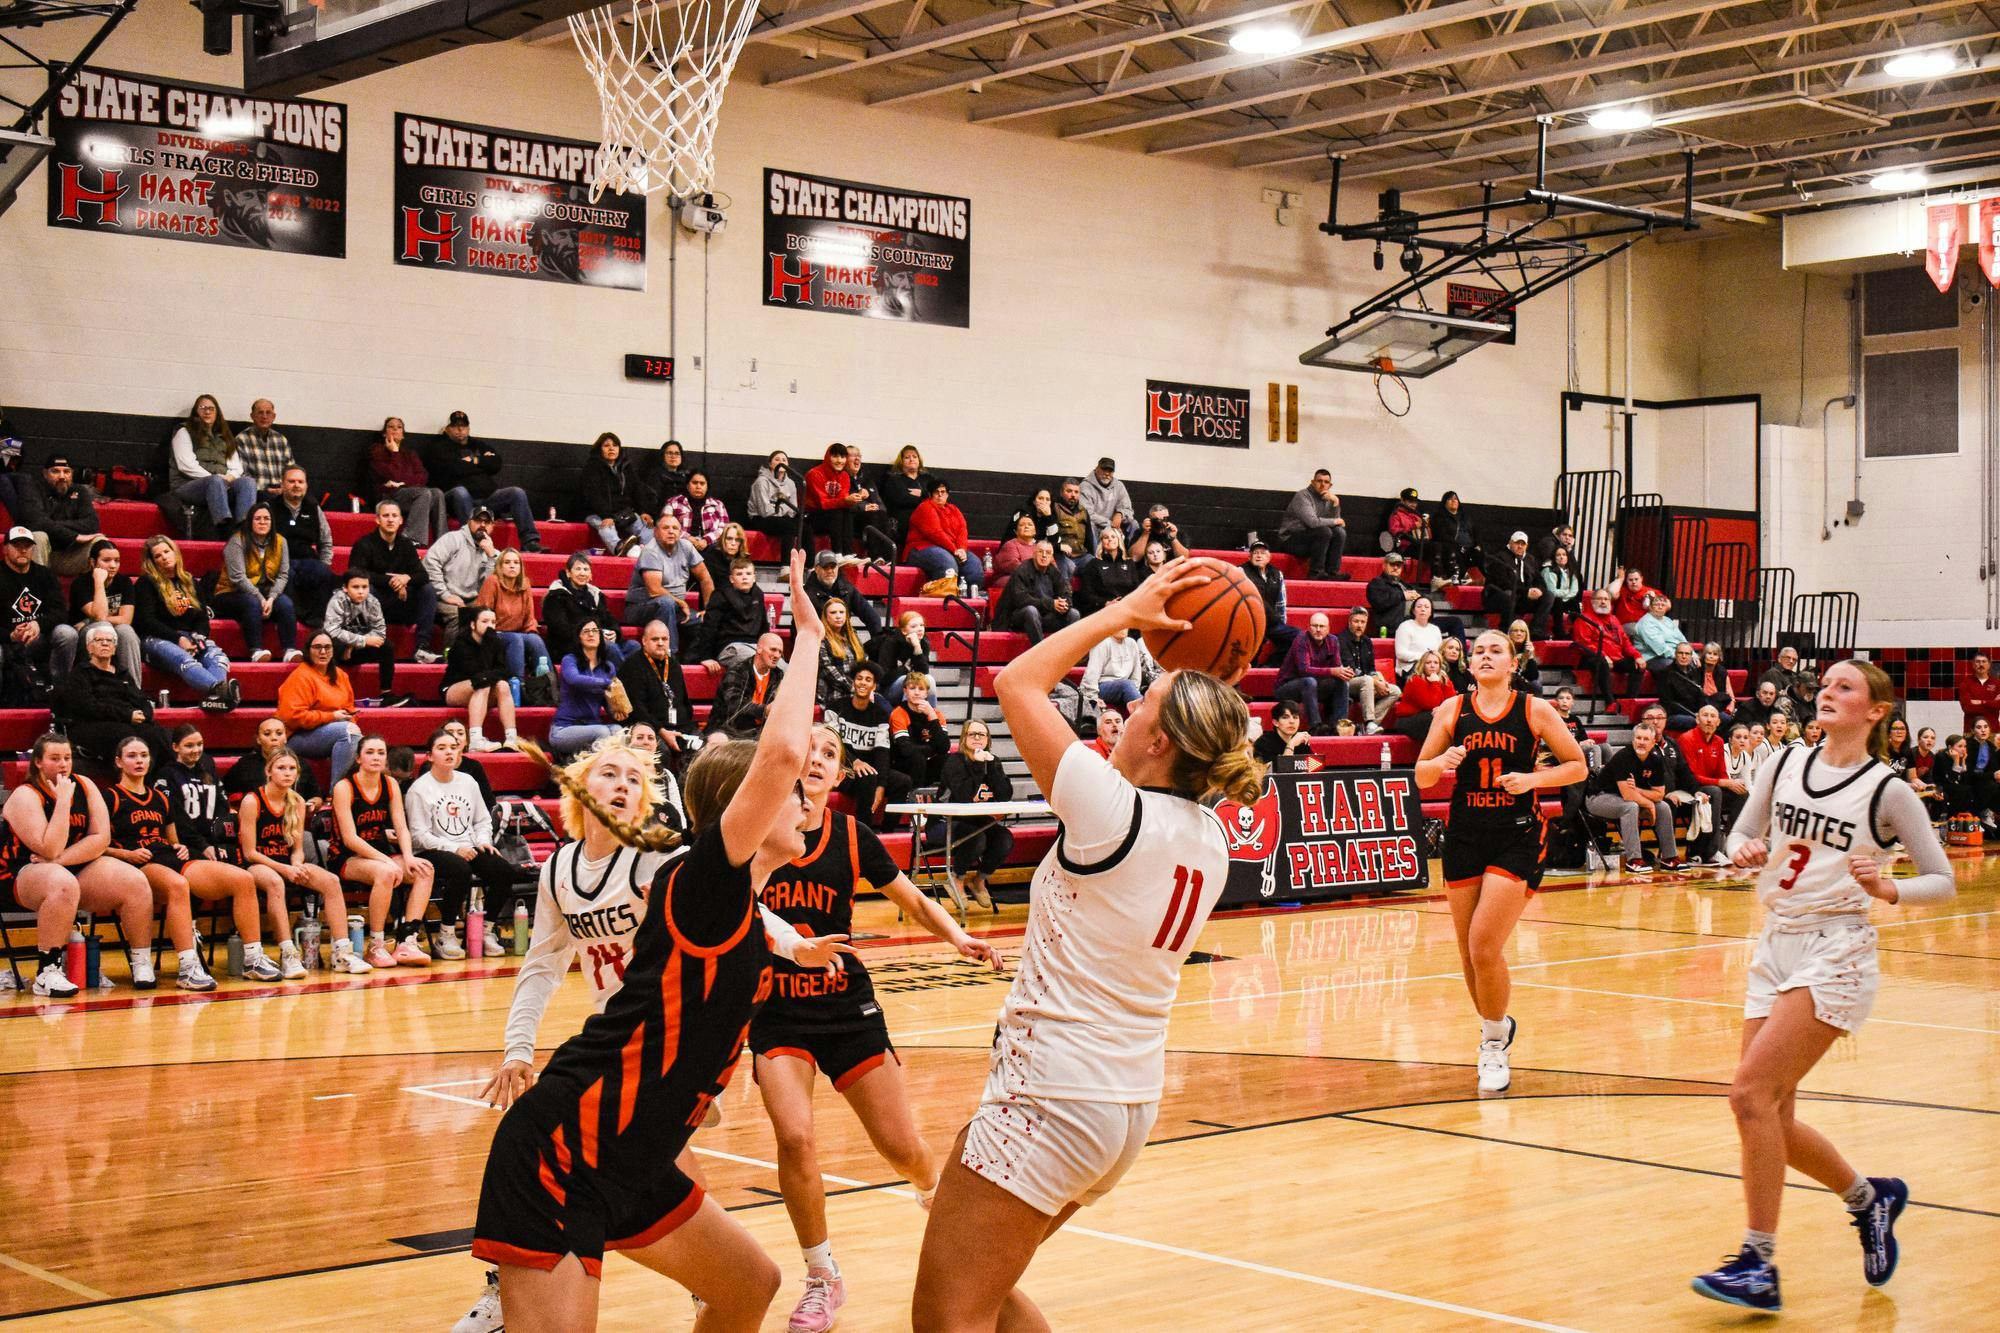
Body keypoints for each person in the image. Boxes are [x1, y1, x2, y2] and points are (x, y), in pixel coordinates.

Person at [466, 557, 830, 1331]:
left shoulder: (731, 902)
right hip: (563, 1150)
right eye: (792, 796)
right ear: (744, 810)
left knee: (748, 1286)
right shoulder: (705, 884)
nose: (806, 801)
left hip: (635, 1157)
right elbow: (781, 755)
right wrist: (808, 637)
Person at [913, 556, 1264, 1330]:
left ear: (1159, 742)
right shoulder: (1207, 834)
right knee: (990, 1292)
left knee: (946, 1319)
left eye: (1144, 701)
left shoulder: (1113, 812)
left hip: (1055, 1093)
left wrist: (1124, 612)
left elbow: (1015, 683)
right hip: (1122, 1103)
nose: (1128, 708)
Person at [1689, 661, 1953, 1313]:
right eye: (1827, 684)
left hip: (1838, 947)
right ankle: (1871, 1198)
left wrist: (1888, 887)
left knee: (1749, 1092)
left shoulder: (1888, 790)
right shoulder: (1782, 765)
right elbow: (1742, 831)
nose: (1829, 694)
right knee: (1769, 1111)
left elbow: (1942, 877)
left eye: (1846, 687)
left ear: (1876, 711)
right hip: (1775, 940)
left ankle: (1759, 1261)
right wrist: (1743, 849)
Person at [755, 723, 1004, 1331]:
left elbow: (914, 901)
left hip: (846, 1010)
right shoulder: (757, 828)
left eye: (830, 753)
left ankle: (931, 1192)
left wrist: (960, 936)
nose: (816, 758)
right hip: (776, 1012)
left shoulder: (850, 834)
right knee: (795, 1137)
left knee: (902, 1148)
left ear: (840, 776)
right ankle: (822, 1277)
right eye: (809, 748)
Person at [1413, 630, 1587, 1093]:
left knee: (1485, 944)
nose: (1486, 657)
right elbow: (1421, 773)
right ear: (1469, 665)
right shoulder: (1453, 709)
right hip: (1465, 835)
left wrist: (1531, 780)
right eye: (1479, 652)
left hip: (1518, 836)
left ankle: (1492, 1044)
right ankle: (1497, 1025)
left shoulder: (1534, 709)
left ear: (1513, 663)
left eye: (1496, 651)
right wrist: (1443, 761)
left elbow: (1577, 766)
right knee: (1470, 954)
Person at [105, 736, 273, 987]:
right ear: (119, 761)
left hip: (166, 856)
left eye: (144, 755)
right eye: (132, 756)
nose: (139, 761)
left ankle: (253, 959)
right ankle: (187, 966)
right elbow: (97, 845)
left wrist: (180, 847)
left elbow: (172, 840)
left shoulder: (160, 797)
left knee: (243, 879)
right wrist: (126, 855)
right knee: (177, 885)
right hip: (135, 864)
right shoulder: (110, 797)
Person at [0, 734, 158, 996]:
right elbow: (49, 846)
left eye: (67, 758)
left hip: (67, 867)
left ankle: (141, 962)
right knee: (62, 882)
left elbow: (100, 838)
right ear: (38, 762)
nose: (63, 764)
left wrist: (61, 860)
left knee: (135, 881)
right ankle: (47, 972)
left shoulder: (84, 785)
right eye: (54, 758)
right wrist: (62, 801)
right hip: (19, 875)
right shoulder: (24, 795)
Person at [238, 747, 368, 974]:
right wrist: (285, 869)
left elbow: (297, 848)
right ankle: (289, 953)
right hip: (258, 864)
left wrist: (296, 864)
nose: (287, 773)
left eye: (291, 769)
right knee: (275, 882)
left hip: (286, 862)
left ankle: (342, 952)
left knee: (331, 881)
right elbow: (249, 852)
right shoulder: (252, 801)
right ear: (268, 771)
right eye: (281, 768)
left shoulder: (297, 801)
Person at [405, 730, 520, 961]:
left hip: (468, 845)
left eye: (453, 747)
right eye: (442, 748)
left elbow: (482, 820)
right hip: (433, 849)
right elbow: (418, 835)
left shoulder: (468, 781)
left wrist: (483, 842)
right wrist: (453, 848)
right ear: (429, 756)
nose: (449, 751)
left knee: (504, 871)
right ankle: (445, 934)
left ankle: (486, 930)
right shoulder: (419, 789)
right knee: (460, 869)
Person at [331, 735, 435, 968]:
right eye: (370, 752)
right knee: (385, 873)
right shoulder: (344, 787)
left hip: (380, 854)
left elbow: (401, 827)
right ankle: (376, 945)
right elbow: (349, 838)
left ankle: (407, 941)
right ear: (358, 758)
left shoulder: (390, 785)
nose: (376, 757)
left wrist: (408, 857)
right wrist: (385, 861)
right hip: (347, 857)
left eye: (380, 752)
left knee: (424, 870)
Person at [51, 622, 174, 774]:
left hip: (125, 721)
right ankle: (129, 781)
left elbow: (141, 700)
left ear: (115, 649)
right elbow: (88, 706)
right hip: (91, 724)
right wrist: (127, 715)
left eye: (109, 641)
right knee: (127, 737)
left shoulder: (123, 673)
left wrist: (145, 715)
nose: (105, 643)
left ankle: (163, 780)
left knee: (161, 735)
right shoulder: (80, 674)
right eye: (99, 640)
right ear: (89, 647)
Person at [135, 534, 239, 712]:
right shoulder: (146, 583)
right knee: (184, 659)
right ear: (152, 562)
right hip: (157, 638)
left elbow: (201, 618)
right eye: (158, 556)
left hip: (190, 636)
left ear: (175, 552)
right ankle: (220, 690)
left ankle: (216, 698)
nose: (164, 557)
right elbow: (146, 621)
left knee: (218, 658)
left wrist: (199, 638)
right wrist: (178, 639)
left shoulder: (189, 581)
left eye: (167, 552)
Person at [429, 410, 543, 552]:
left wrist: (473, 460)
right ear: (448, 429)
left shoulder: (477, 444)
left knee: (517, 493)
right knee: (461, 492)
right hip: (457, 499)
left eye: (463, 426)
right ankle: (472, 542)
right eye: (455, 426)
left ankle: (530, 541)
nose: (460, 430)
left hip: (487, 497)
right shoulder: (440, 446)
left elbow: (496, 463)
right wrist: (482, 464)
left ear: (468, 429)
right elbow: (452, 468)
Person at [348, 499, 443, 664]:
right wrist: (393, 581)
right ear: (377, 520)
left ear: (401, 521)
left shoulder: (406, 544)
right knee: (365, 588)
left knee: (427, 589)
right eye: (386, 516)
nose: (390, 519)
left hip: (401, 603)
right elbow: (356, 576)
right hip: (376, 601)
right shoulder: (364, 544)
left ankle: (422, 647)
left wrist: (406, 579)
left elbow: (423, 576)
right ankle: (367, 643)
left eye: (394, 516)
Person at [937, 717, 1017, 906]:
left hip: (980, 821)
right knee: (977, 838)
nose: (977, 738)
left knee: (1004, 838)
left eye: (981, 734)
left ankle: (979, 880)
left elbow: (1005, 795)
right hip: (948, 822)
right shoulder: (954, 761)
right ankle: (957, 877)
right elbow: (965, 796)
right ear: (964, 738)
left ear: (988, 740)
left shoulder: (993, 761)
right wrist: (979, 767)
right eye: (972, 734)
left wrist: (991, 768)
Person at [212, 500, 298, 663]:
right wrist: (261, 599)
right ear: (250, 521)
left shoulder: (281, 541)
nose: (262, 522)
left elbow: (283, 575)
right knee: (252, 603)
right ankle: (256, 650)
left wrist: (271, 598)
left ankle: (289, 650)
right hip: (230, 592)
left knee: (285, 603)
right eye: (257, 519)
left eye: (266, 518)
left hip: (266, 592)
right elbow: (237, 577)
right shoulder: (237, 541)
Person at [1585, 722, 1677, 872]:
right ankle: (1634, 860)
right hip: (1598, 798)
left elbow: (1659, 795)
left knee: (1664, 806)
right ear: (1633, 740)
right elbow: (1628, 795)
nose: (1641, 742)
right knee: (1630, 806)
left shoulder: (1656, 760)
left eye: (1646, 739)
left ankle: (1669, 858)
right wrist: (1649, 804)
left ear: (1653, 742)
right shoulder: (1624, 757)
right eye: (1638, 738)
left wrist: (1640, 792)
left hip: (1625, 797)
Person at [827, 662, 911, 826]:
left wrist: (881, 786)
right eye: (859, 678)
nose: (863, 683)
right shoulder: (836, 707)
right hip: (840, 767)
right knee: (868, 776)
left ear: (874, 686)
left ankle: (888, 831)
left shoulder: (880, 714)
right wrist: (854, 761)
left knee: (903, 781)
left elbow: (882, 752)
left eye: (868, 680)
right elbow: (832, 744)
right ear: (853, 682)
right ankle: (863, 832)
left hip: (868, 769)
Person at [52, 539, 143, 686]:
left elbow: (126, 619)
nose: (113, 565)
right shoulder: (81, 583)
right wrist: (99, 582)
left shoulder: (124, 582)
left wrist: (88, 621)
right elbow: (100, 616)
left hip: (106, 631)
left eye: (117, 560)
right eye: (106, 560)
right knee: (102, 627)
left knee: (126, 631)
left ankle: (133, 690)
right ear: (93, 562)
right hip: (84, 638)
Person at [169, 394, 257, 539]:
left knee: (248, 482)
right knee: (214, 481)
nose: (207, 412)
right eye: (203, 408)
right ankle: (223, 527)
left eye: (211, 408)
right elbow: (186, 465)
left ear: (217, 413)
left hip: (221, 484)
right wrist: (216, 478)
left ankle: (244, 528)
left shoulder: (225, 436)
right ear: (195, 412)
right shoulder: (184, 432)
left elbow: (236, 467)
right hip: (187, 485)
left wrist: (230, 477)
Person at [626, 513, 711, 655]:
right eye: (665, 528)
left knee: (703, 622)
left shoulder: (686, 547)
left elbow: (705, 578)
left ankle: (690, 663)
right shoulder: (650, 551)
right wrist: (681, 603)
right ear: (656, 532)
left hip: (674, 608)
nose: (671, 531)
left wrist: (709, 608)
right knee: (666, 603)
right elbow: (654, 591)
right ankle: (670, 656)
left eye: (675, 528)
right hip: (640, 608)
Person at [325, 569, 409, 709]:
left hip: (354, 649)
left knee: (386, 646)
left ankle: (386, 694)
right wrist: (362, 641)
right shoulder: (337, 600)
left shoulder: (372, 601)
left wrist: (354, 644)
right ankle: (333, 695)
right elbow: (332, 630)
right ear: (345, 588)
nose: (361, 591)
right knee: (331, 644)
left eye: (365, 587)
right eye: (355, 587)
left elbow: (380, 633)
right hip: (339, 651)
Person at [445, 607, 520, 753]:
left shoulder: (495, 642)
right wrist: (492, 673)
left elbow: (504, 671)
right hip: (454, 688)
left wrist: (494, 674)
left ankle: (511, 738)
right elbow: (476, 673)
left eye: (493, 622)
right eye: (485, 621)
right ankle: (475, 740)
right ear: (473, 625)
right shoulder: (461, 644)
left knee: (503, 685)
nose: (490, 626)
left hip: (482, 689)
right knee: (483, 683)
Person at [13, 452, 101, 576]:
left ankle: (97, 592)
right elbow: (36, 522)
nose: (62, 476)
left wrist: (52, 524)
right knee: (39, 536)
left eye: (66, 472)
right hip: (38, 556)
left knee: (100, 541)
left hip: (68, 558)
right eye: (55, 471)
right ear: (45, 474)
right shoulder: (32, 488)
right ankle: (37, 589)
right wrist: (74, 536)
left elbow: (92, 524)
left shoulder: (80, 491)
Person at [272, 465, 338, 625]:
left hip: (307, 560)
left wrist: (325, 564)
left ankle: (318, 620)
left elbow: (326, 541)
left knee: (324, 573)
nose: (296, 485)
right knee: (286, 576)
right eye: (291, 481)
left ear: (306, 485)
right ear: (282, 484)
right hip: (280, 561)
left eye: (300, 481)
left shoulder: (313, 508)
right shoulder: (270, 508)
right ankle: (294, 617)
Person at [617, 620, 697, 751]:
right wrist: (662, 731)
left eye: (664, 639)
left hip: (681, 726)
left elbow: (684, 700)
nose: (660, 643)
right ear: (644, 641)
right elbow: (637, 709)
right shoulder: (632, 666)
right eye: (655, 639)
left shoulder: (674, 665)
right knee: (661, 751)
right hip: (650, 729)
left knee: (704, 747)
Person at [425, 505, 500, 644]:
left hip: (472, 600)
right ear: (469, 522)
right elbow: (430, 564)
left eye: (487, 522)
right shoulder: (453, 539)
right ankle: (451, 658)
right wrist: (445, 594)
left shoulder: (494, 553)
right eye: (478, 520)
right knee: (459, 615)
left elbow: (489, 588)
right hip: (440, 597)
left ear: (492, 526)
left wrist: (491, 558)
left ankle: (481, 661)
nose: (482, 525)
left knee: (487, 617)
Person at [476, 547, 551, 685]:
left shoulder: (525, 584)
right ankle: (517, 685)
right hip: (492, 633)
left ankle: (549, 685)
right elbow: (483, 616)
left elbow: (529, 618)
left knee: (535, 640)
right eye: (507, 562)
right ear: (500, 566)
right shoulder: (492, 582)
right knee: (515, 639)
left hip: (516, 633)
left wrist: (532, 634)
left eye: (516, 562)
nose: (512, 565)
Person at [366, 416, 445, 546]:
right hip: (388, 496)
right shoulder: (377, 451)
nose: (395, 430)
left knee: (437, 493)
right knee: (424, 493)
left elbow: (423, 476)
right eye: (391, 427)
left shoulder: (410, 454)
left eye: (399, 427)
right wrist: (395, 452)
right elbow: (392, 474)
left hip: (408, 493)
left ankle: (442, 541)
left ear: (403, 435)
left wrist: (404, 483)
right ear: (384, 433)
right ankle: (411, 538)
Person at [544, 552, 632, 667]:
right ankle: (621, 682)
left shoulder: (595, 595)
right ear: (568, 573)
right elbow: (560, 629)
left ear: (591, 575)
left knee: (633, 646)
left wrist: (614, 632)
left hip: (597, 641)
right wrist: (597, 636)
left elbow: (609, 619)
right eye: (578, 569)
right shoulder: (556, 596)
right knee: (611, 648)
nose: (582, 573)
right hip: (569, 645)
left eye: (586, 569)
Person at [224, 715, 325, 813]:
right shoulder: (245, 764)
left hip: (293, 822)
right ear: (258, 739)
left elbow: (317, 797)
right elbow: (223, 790)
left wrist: (313, 803)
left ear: (286, 737)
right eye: (267, 734)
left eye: (279, 733)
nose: (274, 738)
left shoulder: (300, 764)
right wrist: (230, 808)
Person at [160, 725, 230, 865]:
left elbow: (222, 807)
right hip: (185, 845)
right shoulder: (167, 774)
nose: (196, 750)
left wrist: (218, 843)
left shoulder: (208, 772)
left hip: (212, 842)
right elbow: (176, 816)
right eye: (189, 746)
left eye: (200, 744)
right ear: (175, 747)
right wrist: (203, 845)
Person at [552, 620, 620, 754]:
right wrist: (606, 683)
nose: (591, 634)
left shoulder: (608, 667)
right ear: (579, 637)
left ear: (600, 636)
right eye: (586, 631)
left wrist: (616, 709)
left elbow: (607, 703)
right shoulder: (570, 660)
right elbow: (574, 679)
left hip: (592, 726)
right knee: (602, 732)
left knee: (618, 731)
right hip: (565, 729)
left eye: (595, 631)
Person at [901, 480, 982, 593]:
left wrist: (962, 549)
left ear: (947, 494)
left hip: (950, 549)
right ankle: (942, 601)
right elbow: (935, 533)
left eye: (943, 492)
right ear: (930, 494)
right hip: (921, 548)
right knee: (947, 564)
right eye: (936, 492)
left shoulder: (954, 509)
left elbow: (962, 531)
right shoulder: (925, 507)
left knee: (974, 565)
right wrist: (955, 550)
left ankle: (968, 600)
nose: (940, 495)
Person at [1679, 705, 1735, 863]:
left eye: (1713, 716)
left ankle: (1731, 846)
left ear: (1718, 722)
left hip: (1711, 788)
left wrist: (1729, 783)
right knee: (1715, 791)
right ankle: (1711, 851)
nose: (1709, 719)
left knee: (1741, 793)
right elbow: (1692, 776)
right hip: (1690, 788)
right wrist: (1721, 782)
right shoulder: (1687, 738)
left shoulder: (1718, 741)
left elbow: (1722, 772)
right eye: (1705, 715)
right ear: (1697, 719)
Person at [1274, 612, 1345, 734]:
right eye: (1315, 626)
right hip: (1287, 687)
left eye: (1322, 626)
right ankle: (1315, 726)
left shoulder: (1333, 641)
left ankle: (1339, 725)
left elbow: (1337, 667)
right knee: (1309, 681)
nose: (1318, 630)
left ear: (1328, 629)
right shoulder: (1301, 640)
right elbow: (1304, 670)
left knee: (1341, 681)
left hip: (1313, 687)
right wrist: (1332, 671)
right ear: (1308, 627)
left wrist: (1344, 672)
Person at [995, 540, 1077, 643]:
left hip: (1045, 616)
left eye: (1047, 553)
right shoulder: (1022, 570)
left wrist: (1065, 604)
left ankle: (1064, 653)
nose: (1044, 556)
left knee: (1073, 614)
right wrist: (1051, 604)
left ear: (1051, 556)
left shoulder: (1054, 571)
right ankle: (1041, 654)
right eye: (1040, 552)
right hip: (1019, 618)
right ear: (1034, 553)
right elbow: (1021, 600)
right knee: (1031, 611)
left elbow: (1065, 592)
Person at [1335, 605, 1399, 734]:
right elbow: (1352, 670)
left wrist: (1379, 682)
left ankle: (1370, 726)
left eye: (1363, 622)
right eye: (1356, 621)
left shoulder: (1367, 641)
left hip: (1366, 683)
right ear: (1349, 622)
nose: (1359, 625)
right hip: (1346, 683)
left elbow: (1371, 668)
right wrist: (1375, 681)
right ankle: (1369, 721)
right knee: (1367, 680)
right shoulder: (1340, 639)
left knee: (1395, 691)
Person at [580, 431, 646, 555]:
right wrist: (606, 515)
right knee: (605, 527)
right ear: (600, 449)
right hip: (597, 513)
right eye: (606, 445)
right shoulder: (591, 468)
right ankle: (620, 548)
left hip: (623, 512)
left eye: (615, 445)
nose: (611, 448)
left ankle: (651, 551)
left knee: (644, 526)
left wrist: (642, 512)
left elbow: (636, 489)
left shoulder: (626, 467)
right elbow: (593, 496)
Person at [698, 556, 769, 670]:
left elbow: (764, 625)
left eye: (748, 574)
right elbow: (709, 626)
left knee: (785, 669)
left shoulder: (758, 594)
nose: (744, 577)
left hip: (755, 646)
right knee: (759, 663)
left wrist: (768, 646)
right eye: (739, 574)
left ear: (754, 577)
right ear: (731, 579)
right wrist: (706, 656)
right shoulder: (720, 595)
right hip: (729, 646)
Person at [1574, 587, 1642, 705]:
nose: (1603, 602)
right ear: (1592, 601)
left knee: (1638, 665)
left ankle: (1628, 701)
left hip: (1615, 658)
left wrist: (1637, 656)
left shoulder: (1614, 619)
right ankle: (1609, 702)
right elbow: (1584, 644)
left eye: (1606, 599)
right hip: (1591, 658)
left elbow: (1625, 642)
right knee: (1601, 662)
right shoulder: (1584, 619)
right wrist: (1603, 655)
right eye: (1600, 598)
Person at [1276, 468, 1346, 579]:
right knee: (1324, 531)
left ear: (1330, 485)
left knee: (1340, 532)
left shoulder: (1329, 498)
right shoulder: (1302, 496)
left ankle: (1332, 573)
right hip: (1291, 540)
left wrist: (1336, 503)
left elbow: (1337, 523)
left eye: (1326, 482)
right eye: (1319, 481)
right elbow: (1313, 522)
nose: (1322, 484)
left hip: (1314, 540)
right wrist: (1335, 521)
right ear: (1312, 482)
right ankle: (1315, 573)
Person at [1239, 540, 1300, 664]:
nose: (1259, 555)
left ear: (1269, 557)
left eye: (1262, 553)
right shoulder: (1240, 572)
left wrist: (1282, 624)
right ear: (1249, 557)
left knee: (1298, 637)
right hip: (1249, 624)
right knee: (1252, 656)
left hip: (1270, 623)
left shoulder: (1277, 574)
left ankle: (1271, 663)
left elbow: (1281, 603)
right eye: (1255, 553)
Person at [801, 549, 884, 638]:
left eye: (833, 567)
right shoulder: (806, 594)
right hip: (818, 642)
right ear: (817, 569)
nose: (830, 571)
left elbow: (871, 616)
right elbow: (799, 628)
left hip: (845, 640)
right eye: (825, 567)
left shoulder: (847, 589)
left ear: (837, 568)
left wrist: (877, 642)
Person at [889, 672, 951, 790]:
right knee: (917, 758)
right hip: (903, 765)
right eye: (912, 688)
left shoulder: (936, 714)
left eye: (921, 689)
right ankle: (914, 797)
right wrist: (932, 749)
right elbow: (905, 749)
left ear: (927, 693)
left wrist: (932, 717)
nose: (917, 692)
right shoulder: (898, 713)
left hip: (926, 764)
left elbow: (944, 747)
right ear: (905, 691)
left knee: (949, 759)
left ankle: (944, 797)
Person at [713, 632, 784, 733]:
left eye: (780, 652)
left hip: (761, 733)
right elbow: (735, 707)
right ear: (759, 649)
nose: (777, 655)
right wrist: (765, 710)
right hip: (729, 730)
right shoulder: (737, 672)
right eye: (773, 650)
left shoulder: (778, 675)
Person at [1080, 627, 1157, 717]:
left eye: (1126, 626)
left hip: (1126, 687)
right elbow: (1092, 674)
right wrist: (1092, 697)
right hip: (1102, 686)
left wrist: (1132, 691)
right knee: (1126, 684)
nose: (1123, 629)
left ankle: (1153, 714)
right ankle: (1147, 717)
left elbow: (1136, 675)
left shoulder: (1132, 643)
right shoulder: (1102, 643)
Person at [802, 442, 860, 555]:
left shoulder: (844, 476)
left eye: (843, 457)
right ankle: (837, 553)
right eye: (835, 456)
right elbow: (822, 503)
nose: (839, 460)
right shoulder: (814, 474)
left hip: (831, 517)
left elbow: (842, 499)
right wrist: (845, 501)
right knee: (837, 512)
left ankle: (848, 554)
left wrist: (855, 498)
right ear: (828, 457)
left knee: (847, 511)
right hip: (811, 517)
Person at [1483, 531, 1546, 634]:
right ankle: (1507, 631)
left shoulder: (1530, 559)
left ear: (1527, 546)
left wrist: (1538, 590)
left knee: (1549, 596)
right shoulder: (1500, 558)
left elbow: (1539, 580)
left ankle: (1536, 630)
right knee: (1509, 595)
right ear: (1510, 543)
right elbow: (1503, 583)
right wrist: (1526, 592)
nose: (1520, 546)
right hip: (1498, 596)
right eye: (1517, 543)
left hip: (1522, 596)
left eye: (1523, 544)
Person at [745, 448, 801, 562]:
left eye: (784, 460)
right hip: (760, 518)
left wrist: (782, 509)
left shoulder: (790, 483)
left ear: (788, 464)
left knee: (805, 526)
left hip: (781, 518)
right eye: (777, 459)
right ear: (770, 464)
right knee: (788, 526)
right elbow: (765, 511)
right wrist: (786, 506)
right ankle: (785, 568)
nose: (781, 462)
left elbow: (793, 509)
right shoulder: (761, 481)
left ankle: (809, 567)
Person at [1391, 649, 1456, 741]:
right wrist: (1435, 683)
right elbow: (1429, 704)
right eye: (1428, 663)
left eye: (1436, 663)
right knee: (1435, 718)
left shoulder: (1445, 680)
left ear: (1440, 666)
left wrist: (1442, 709)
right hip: (1409, 720)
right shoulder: (1415, 680)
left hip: (1430, 717)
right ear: (1423, 665)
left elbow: (1451, 702)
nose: (1432, 665)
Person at [234, 397, 295, 494]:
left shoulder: (282, 440)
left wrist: (286, 488)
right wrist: (266, 490)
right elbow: (242, 474)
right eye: (260, 412)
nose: (264, 416)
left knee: (310, 502)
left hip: (282, 491)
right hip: (257, 492)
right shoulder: (241, 439)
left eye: (268, 412)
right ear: (252, 416)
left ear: (273, 416)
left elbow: (291, 471)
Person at [816, 598, 869, 707]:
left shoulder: (852, 635)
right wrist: (853, 688)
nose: (838, 616)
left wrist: (865, 686)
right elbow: (827, 669)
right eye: (833, 612)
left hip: (856, 689)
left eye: (841, 612)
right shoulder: (821, 638)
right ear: (826, 617)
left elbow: (864, 662)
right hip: (833, 693)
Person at [879, 445, 937, 543]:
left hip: (929, 516)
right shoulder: (894, 479)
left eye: (914, 457)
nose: (911, 459)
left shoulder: (928, 479)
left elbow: (938, 498)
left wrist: (922, 494)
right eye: (907, 457)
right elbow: (900, 499)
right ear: (901, 461)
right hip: (904, 519)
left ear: (919, 460)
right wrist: (926, 497)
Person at [873, 609, 932, 704]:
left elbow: (924, 672)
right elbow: (883, 678)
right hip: (888, 690)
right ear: (904, 631)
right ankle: (907, 714)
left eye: (922, 625)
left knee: (929, 680)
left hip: (914, 689)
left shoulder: (923, 643)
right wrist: (905, 669)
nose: (920, 629)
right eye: (914, 626)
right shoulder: (891, 642)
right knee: (907, 681)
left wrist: (917, 648)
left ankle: (931, 714)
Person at [630, 438, 692, 526]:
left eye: (677, 453)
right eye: (669, 453)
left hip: (685, 517)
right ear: (663, 455)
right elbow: (651, 502)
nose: (673, 456)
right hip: (662, 517)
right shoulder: (655, 475)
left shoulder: (688, 476)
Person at [1074, 527, 1136, 614]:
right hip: (1103, 610)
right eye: (1106, 537)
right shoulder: (1093, 564)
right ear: (1101, 542)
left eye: (1113, 537)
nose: (1110, 539)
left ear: (1119, 540)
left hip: (1127, 608)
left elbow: (1136, 588)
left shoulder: (1129, 563)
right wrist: (1105, 603)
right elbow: (1086, 593)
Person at [1078, 456, 1137, 545]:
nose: (1107, 473)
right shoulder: (1085, 486)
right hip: (1098, 526)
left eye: (1110, 471)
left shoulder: (1119, 485)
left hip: (1116, 527)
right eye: (1104, 470)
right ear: (1096, 469)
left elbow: (1128, 510)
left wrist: (1120, 514)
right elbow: (1087, 514)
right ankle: (1095, 557)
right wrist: (1110, 524)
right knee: (1090, 525)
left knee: (1133, 524)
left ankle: (1130, 555)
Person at [665, 470, 729, 551]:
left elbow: (724, 528)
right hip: (681, 545)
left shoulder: (718, 505)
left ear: (707, 487)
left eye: (702, 483)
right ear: (688, 485)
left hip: (711, 546)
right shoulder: (673, 503)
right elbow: (665, 525)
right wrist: (688, 538)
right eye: (695, 483)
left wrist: (706, 540)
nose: (698, 486)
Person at [1253, 698, 1322, 769]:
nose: (1292, 721)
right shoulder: (1264, 743)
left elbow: (1315, 768)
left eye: (1295, 717)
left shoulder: (1301, 741)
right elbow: (1283, 769)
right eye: (1285, 717)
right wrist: (1291, 744)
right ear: (1275, 722)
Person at [1630, 593, 1689, 673]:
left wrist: (1692, 654)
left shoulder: (1668, 620)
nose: (1660, 607)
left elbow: (1681, 639)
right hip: (1652, 657)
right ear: (1650, 607)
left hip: (1674, 654)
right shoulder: (1646, 622)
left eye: (1663, 605)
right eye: (1657, 604)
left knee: (1697, 662)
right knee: (1672, 665)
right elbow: (1660, 648)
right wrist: (1679, 656)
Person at [1366, 549, 1419, 635]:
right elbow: (1379, 602)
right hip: (1390, 631)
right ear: (1384, 566)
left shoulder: (1406, 585)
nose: (1395, 568)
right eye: (1392, 564)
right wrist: (1402, 595)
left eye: (1399, 565)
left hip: (1412, 629)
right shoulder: (1377, 583)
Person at [1658, 641, 1708, 732]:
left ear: (1691, 656)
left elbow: (1701, 696)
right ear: (1675, 654)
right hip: (1674, 714)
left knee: (1723, 719)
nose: (1684, 656)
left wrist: (1703, 713)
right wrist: (1694, 715)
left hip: (1695, 712)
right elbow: (1669, 702)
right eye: (1681, 653)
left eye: (1687, 654)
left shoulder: (1696, 672)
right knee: (1695, 721)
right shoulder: (1666, 673)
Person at [1392, 593, 1444, 679]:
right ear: (1413, 610)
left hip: (1432, 666)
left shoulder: (1435, 629)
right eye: (1419, 606)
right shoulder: (1405, 626)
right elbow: (1401, 654)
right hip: (1410, 667)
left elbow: (1439, 653)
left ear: (1431, 612)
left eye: (1426, 607)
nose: (1423, 609)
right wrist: (1425, 658)